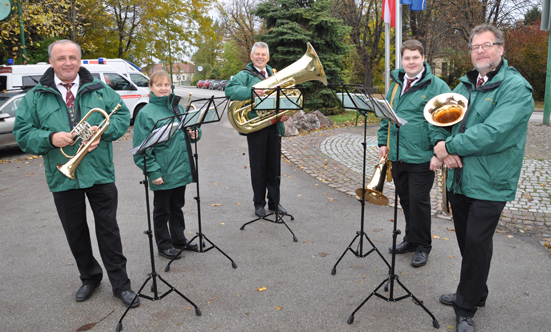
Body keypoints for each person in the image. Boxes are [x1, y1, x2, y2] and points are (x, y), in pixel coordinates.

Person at [13, 40, 139, 307]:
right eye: (61, 58)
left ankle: (121, 284)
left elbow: (120, 118)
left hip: (100, 173)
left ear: (80, 60)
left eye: (72, 57)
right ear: (52, 62)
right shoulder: (35, 96)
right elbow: (23, 134)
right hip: (62, 175)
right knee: (76, 232)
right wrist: (50, 138)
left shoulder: (100, 89)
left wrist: (101, 132)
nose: (67, 62)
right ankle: (90, 278)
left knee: (109, 231)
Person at [433, 24, 534, 332]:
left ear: (501, 49)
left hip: (491, 181)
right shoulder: (464, 85)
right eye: (475, 47)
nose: (480, 51)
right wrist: (442, 145)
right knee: (467, 241)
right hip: (460, 178)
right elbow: (440, 118)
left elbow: (493, 134)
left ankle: (466, 309)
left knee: (477, 242)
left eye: (486, 45)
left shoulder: (517, 88)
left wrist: (447, 147)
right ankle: (477, 291)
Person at [377, 40, 450, 267]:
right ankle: (410, 239)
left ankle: (423, 246)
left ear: (423, 58)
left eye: (415, 57)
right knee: (406, 201)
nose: (411, 62)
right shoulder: (396, 84)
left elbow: (448, 122)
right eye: (407, 58)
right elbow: (386, 115)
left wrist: (438, 154)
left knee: (419, 202)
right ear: (402, 60)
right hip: (398, 155)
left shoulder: (437, 86)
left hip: (422, 157)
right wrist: (382, 142)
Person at [132, 70, 199, 260]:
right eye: (159, 85)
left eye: (167, 85)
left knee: (177, 206)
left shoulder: (177, 108)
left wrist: (195, 134)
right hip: (162, 171)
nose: (163, 88)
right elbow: (140, 149)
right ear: (151, 88)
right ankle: (164, 244)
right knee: (162, 210)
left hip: (180, 167)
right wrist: (153, 172)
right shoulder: (145, 113)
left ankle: (179, 238)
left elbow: (189, 132)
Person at [225, 42, 289, 218]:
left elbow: (284, 97)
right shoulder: (245, 75)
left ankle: (275, 203)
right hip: (257, 127)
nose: (260, 57)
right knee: (259, 166)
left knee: (274, 167)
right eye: (257, 54)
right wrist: (252, 91)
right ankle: (259, 203)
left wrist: (284, 113)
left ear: (268, 57)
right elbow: (229, 89)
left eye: (263, 54)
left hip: (274, 125)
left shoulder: (275, 75)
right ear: (252, 56)